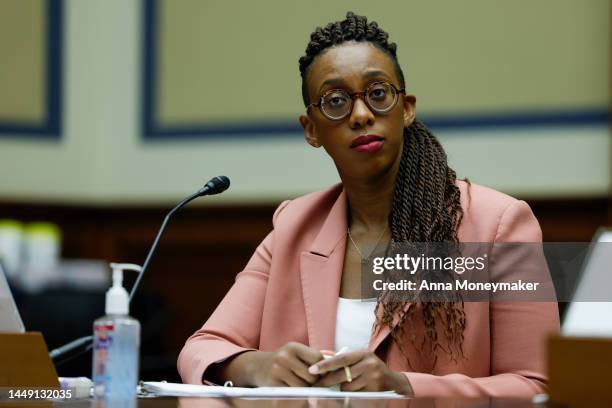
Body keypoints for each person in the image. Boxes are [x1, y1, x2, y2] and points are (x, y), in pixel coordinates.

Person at [178, 12, 560, 397]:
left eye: (378, 93)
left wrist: (404, 388)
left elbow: (537, 386)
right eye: (336, 101)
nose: (361, 115)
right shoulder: (294, 226)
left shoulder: (499, 225)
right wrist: (256, 365)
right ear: (311, 129)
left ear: (406, 108)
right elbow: (201, 348)